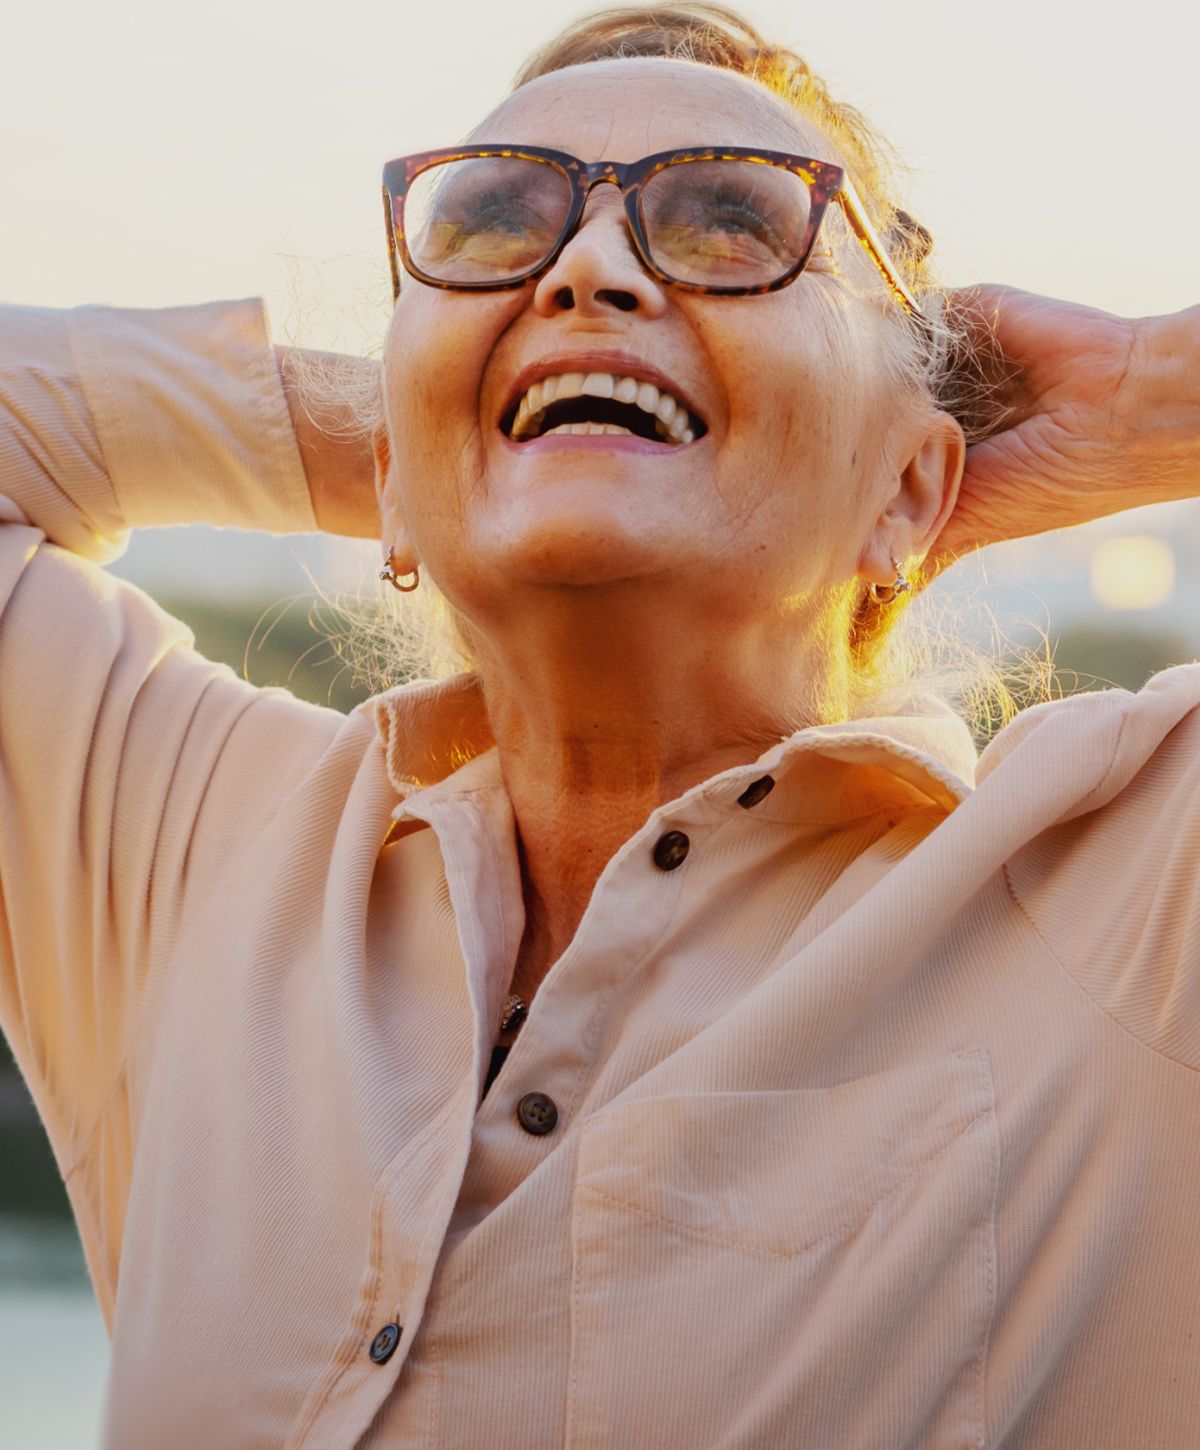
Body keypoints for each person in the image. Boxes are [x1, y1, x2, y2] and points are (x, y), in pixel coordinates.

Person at [1, 5, 1197, 1446]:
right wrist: (441, 422)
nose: (585, 266)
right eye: (497, 224)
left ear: (912, 495)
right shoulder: (193, 852)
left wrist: (1146, 403)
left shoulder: (1132, 895)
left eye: (729, 227)